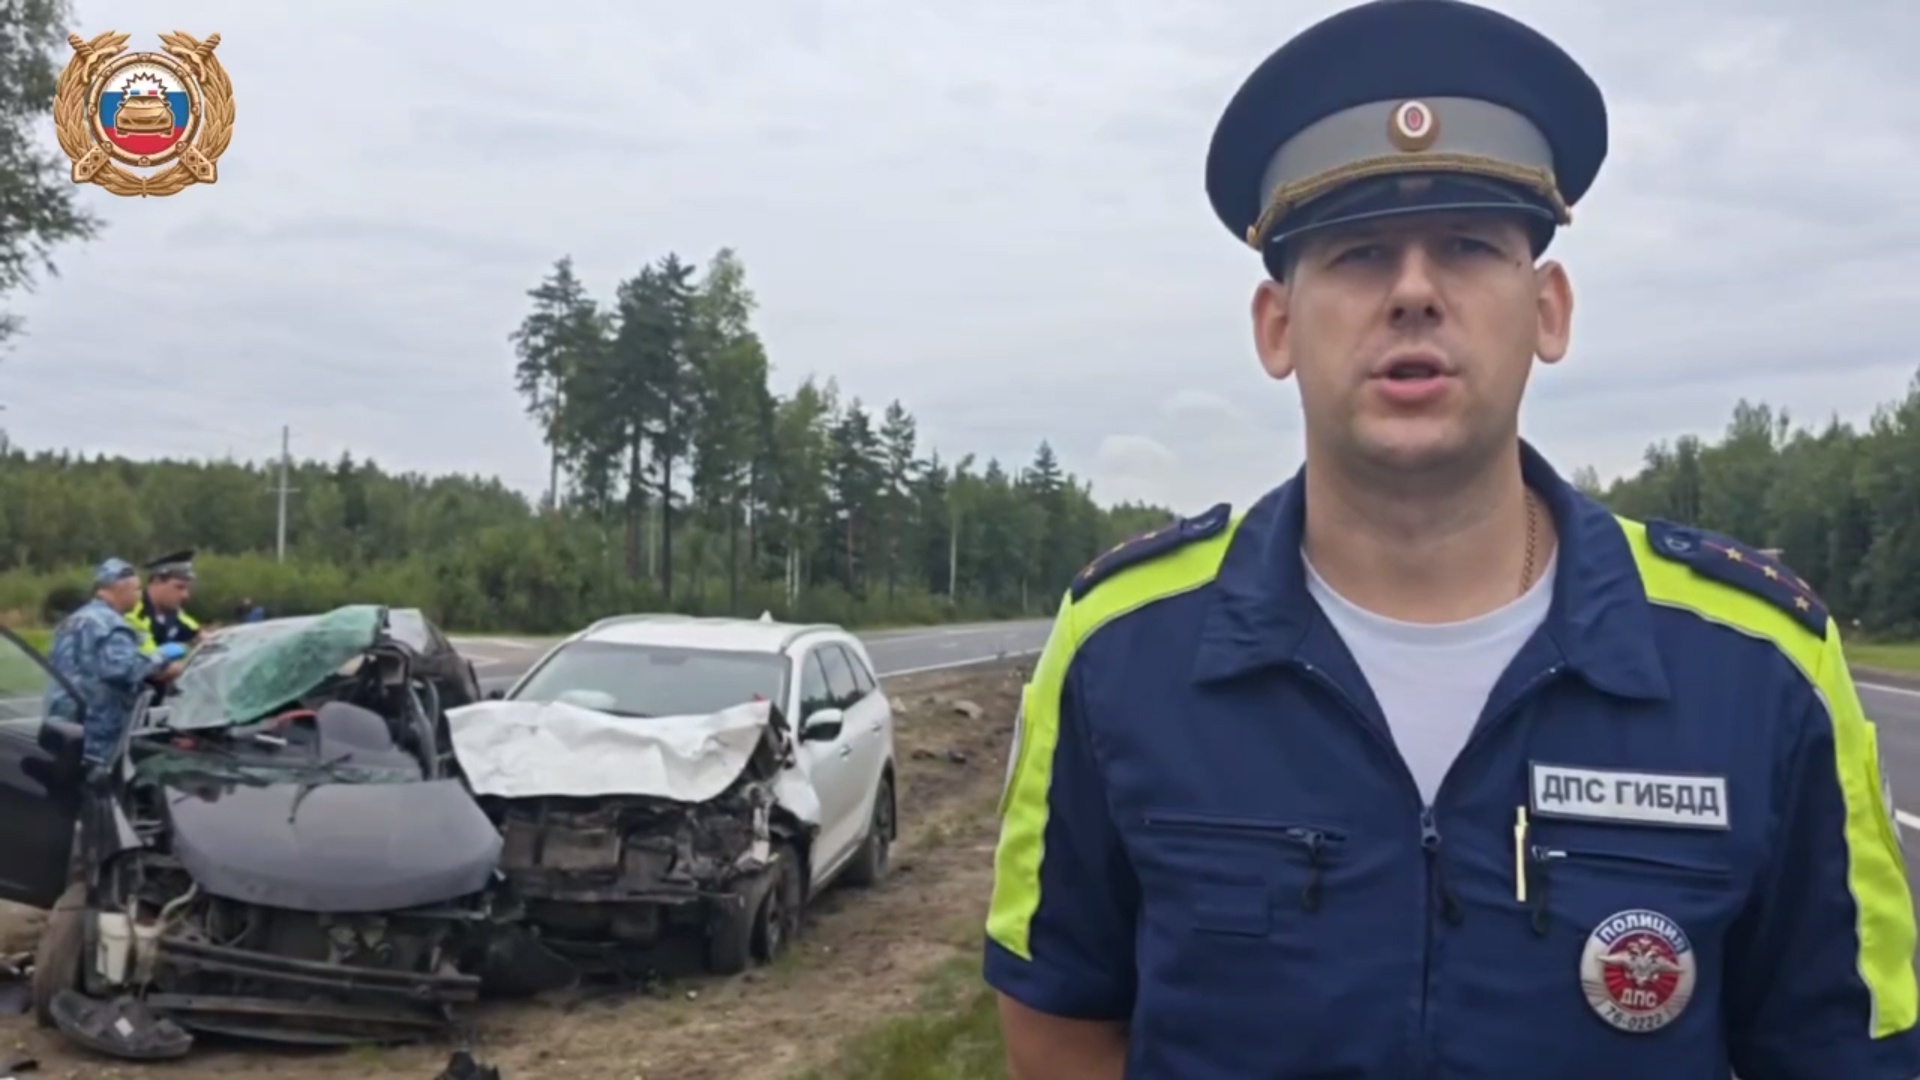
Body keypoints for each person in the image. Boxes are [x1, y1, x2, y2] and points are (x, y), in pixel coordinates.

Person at [983, 2, 1920, 1077]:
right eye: (1358, 254)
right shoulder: (1122, 649)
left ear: (1549, 310)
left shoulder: (1757, 665)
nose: (1415, 293)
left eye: (1469, 246)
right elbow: (1059, 1027)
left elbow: (1849, 1052)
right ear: (1277, 327)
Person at [44, 559, 186, 766]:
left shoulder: (73, 620)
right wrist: (161, 656)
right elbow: (123, 669)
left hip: (63, 726)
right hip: (96, 730)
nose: (139, 596)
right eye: (137, 589)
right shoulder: (112, 625)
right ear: (121, 589)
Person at [127, 549, 203, 656]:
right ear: (157, 581)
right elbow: (150, 659)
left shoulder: (174, 612)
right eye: (179, 587)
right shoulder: (135, 613)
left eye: (187, 588)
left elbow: (198, 634)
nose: (185, 595)